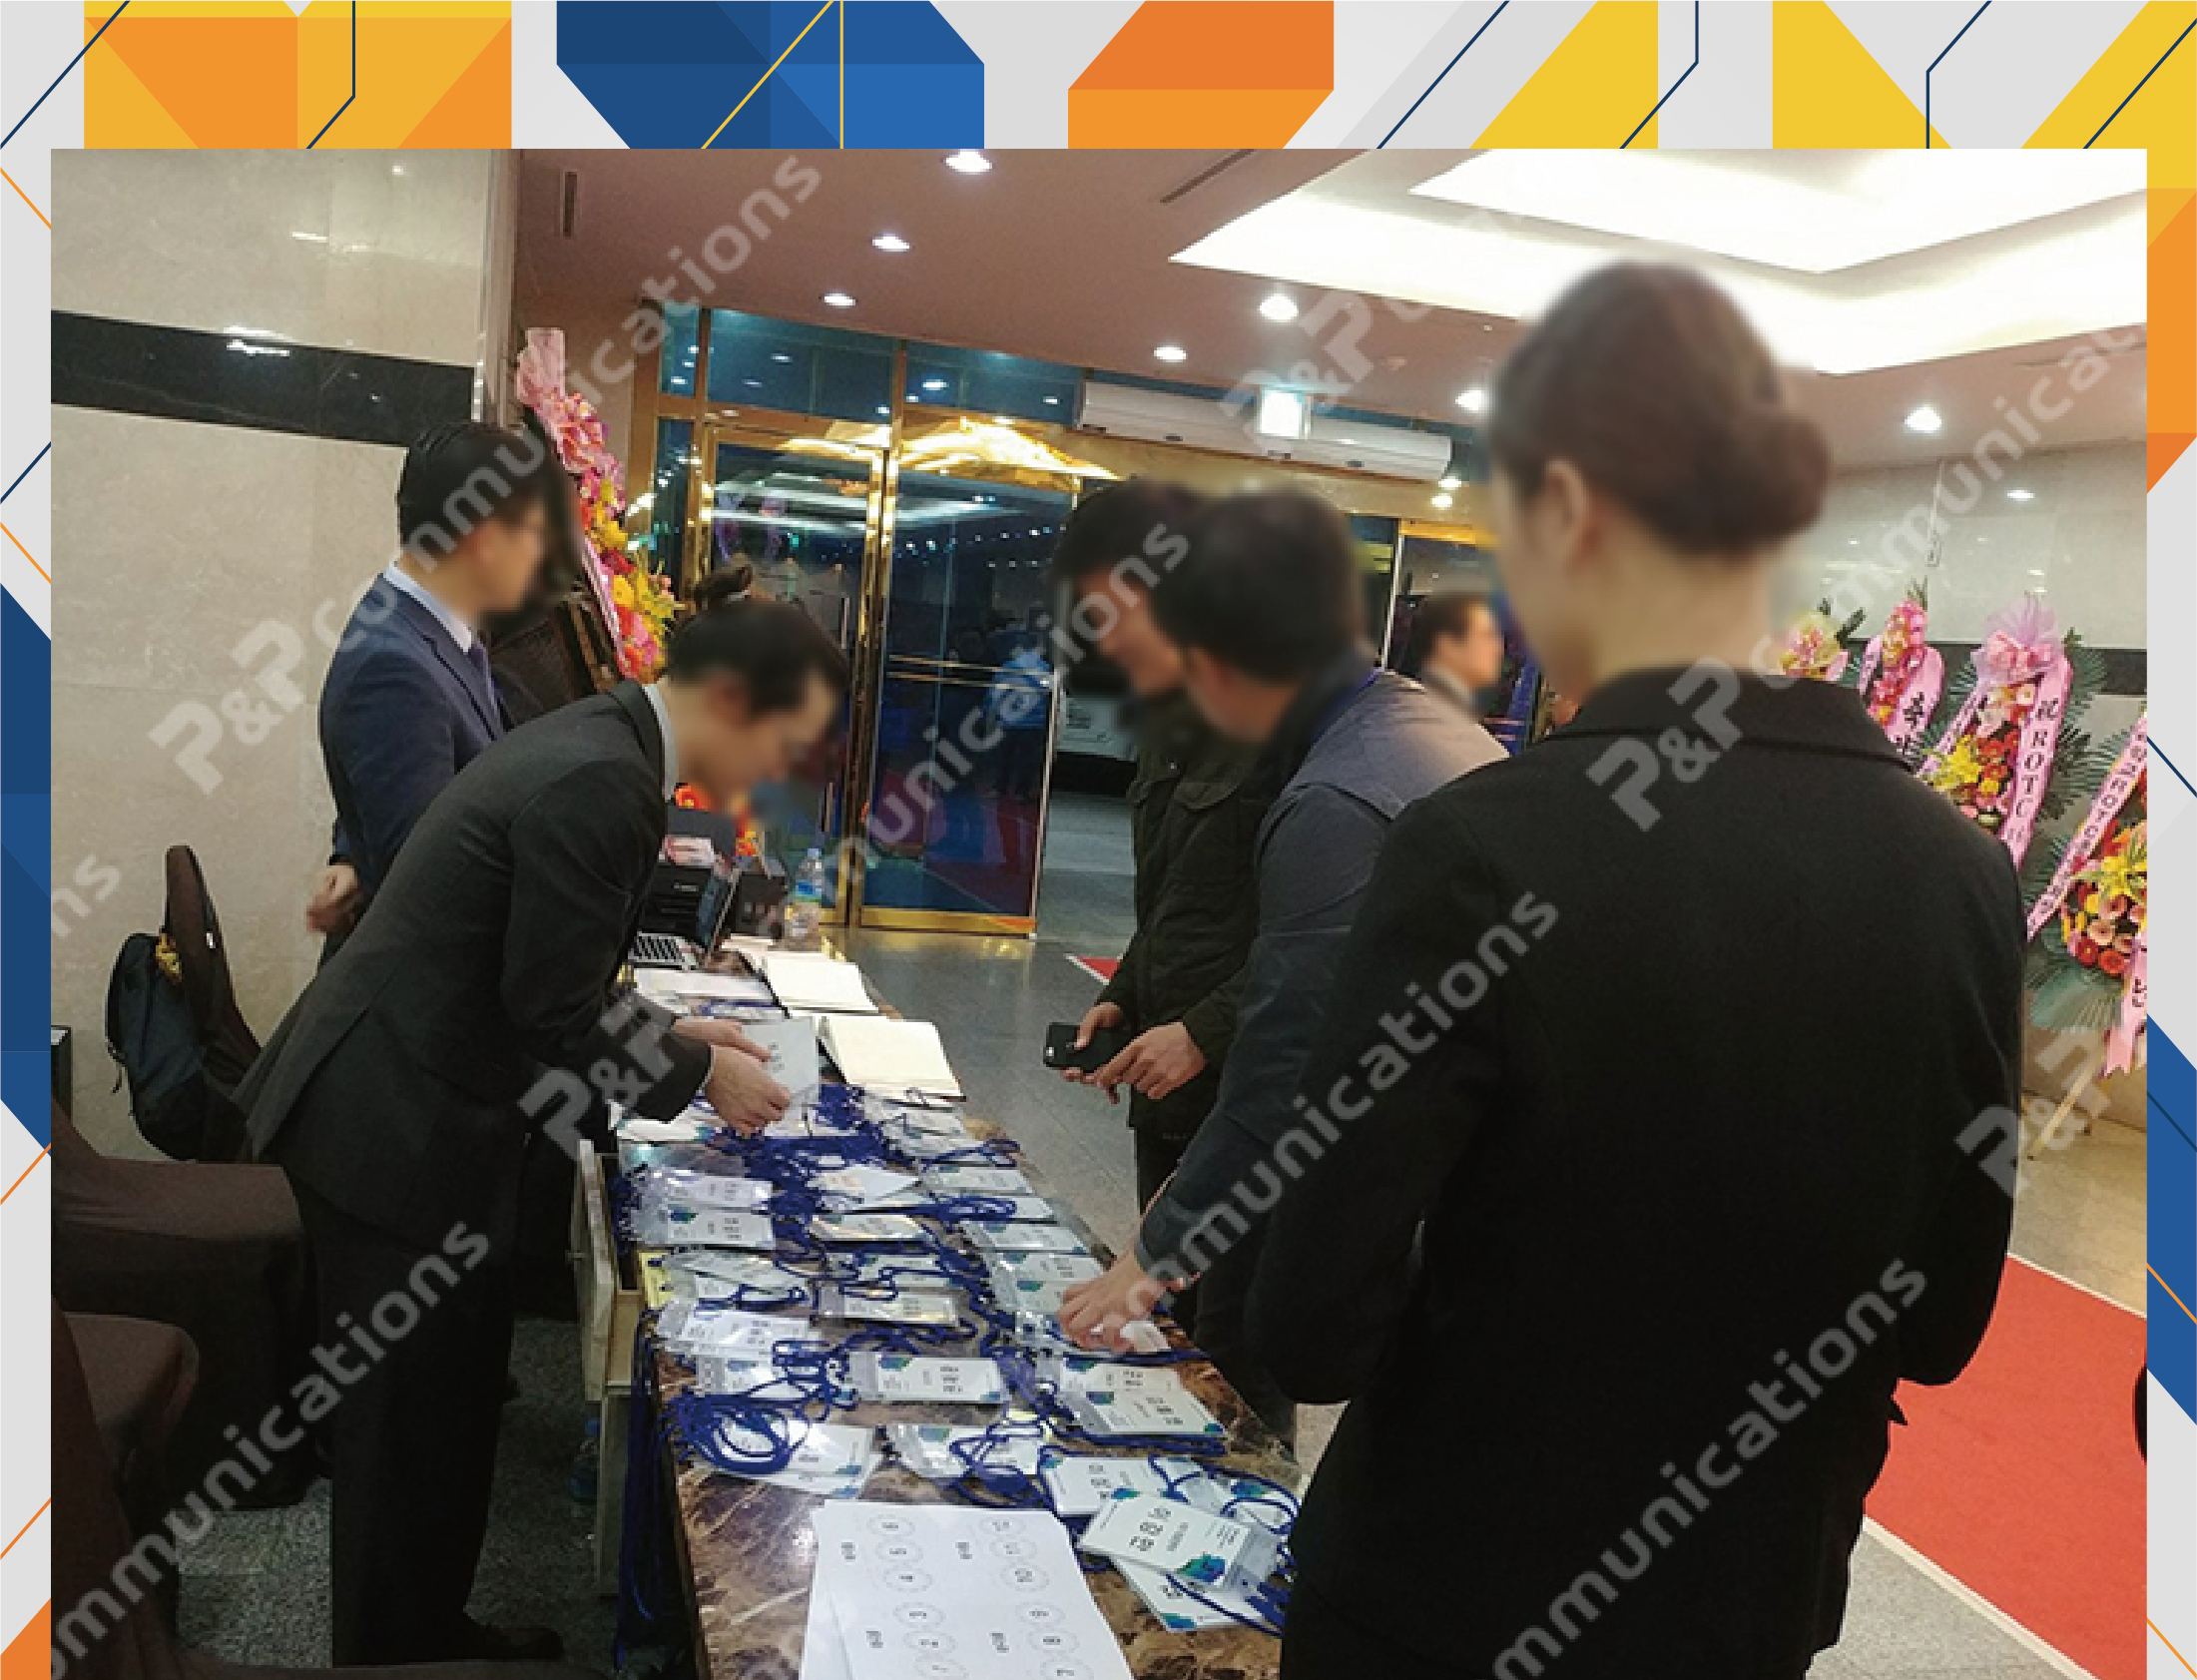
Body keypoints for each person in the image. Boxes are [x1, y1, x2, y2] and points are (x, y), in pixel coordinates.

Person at [1246, 266, 2023, 1679]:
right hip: (1749, 1602)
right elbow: (1940, 1319)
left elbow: (1310, 1321)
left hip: (1446, 1594)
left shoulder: (1482, 844)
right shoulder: (1960, 872)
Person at [239, 596, 846, 1666]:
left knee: (450, 1402)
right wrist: (702, 1073)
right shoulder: (604, 779)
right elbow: (550, 1009)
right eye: (781, 741)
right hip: (393, 1122)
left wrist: (673, 1031)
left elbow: (545, 959)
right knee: (401, 1430)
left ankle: (432, 1628)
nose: (773, 772)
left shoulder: (609, 744)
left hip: (425, 1103)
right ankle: (390, 1654)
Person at [1057, 491, 1501, 1442]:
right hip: (1474, 1167)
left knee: (1253, 1373)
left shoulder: (1334, 794)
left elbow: (1283, 1063)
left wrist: (1150, 1257)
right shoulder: (1406, 724)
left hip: (1473, 1192)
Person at [1049, 482, 1269, 1333]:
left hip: (1246, 1106)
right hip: (1165, 1087)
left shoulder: (1280, 727)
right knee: (1171, 1325)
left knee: (1231, 1344)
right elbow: (1174, 897)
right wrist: (1126, 994)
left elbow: (1320, 943)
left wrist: (1204, 1031)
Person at [304, 421, 551, 944]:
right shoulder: (395, 670)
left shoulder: (437, 630)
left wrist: (354, 854)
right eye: (533, 532)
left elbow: (393, 778)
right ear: (485, 539)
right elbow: (434, 890)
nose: (541, 555)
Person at [1400, 588, 1507, 717]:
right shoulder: (1436, 714)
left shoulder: (1406, 702)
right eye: (1487, 635)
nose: (1498, 648)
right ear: (1446, 646)